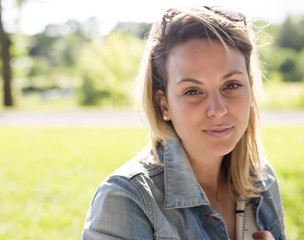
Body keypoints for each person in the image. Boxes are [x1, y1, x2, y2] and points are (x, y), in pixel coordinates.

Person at [82, 6, 285, 240]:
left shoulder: (262, 179)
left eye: (231, 85)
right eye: (193, 91)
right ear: (164, 104)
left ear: (250, 87)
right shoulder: (126, 198)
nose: (218, 110)